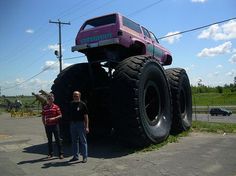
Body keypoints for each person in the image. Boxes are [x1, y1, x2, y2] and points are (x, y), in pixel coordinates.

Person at [69, 91, 89, 163]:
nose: (75, 97)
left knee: (83, 141)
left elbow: (86, 116)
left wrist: (87, 127)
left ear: (79, 96)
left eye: (77, 96)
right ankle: (75, 156)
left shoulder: (82, 104)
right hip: (73, 124)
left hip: (81, 124)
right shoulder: (71, 104)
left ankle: (85, 157)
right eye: (74, 96)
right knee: (74, 141)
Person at [42, 93, 64, 159]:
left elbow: (60, 115)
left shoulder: (56, 107)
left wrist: (54, 118)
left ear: (53, 99)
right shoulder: (45, 107)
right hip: (48, 126)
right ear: (47, 99)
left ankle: (61, 154)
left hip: (55, 125)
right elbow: (43, 116)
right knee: (49, 140)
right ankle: (50, 154)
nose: (50, 99)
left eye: (51, 98)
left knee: (58, 140)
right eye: (48, 98)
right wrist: (44, 124)